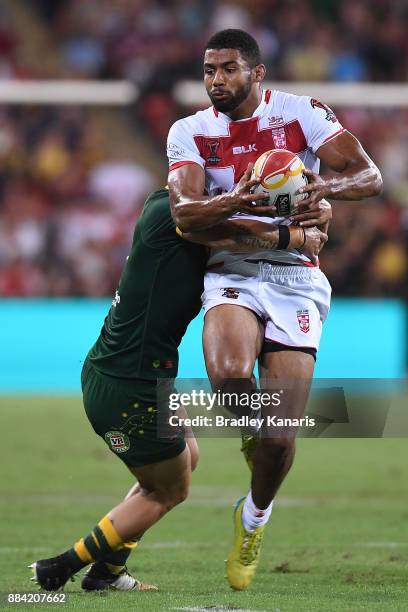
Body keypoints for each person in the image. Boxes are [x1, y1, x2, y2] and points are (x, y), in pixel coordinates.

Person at [167, 29, 382, 590]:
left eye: (229, 69)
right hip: (233, 270)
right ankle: (251, 433)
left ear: (256, 74)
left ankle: (254, 516)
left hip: (296, 278)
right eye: (209, 69)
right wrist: (240, 201)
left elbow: (370, 176)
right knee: (230, 375)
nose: (216, 79)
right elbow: (187, 214)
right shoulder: (190, 131)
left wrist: (322, 187)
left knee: (281, 438)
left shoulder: (301, 114)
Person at [30, 189, 326, 592]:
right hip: (129, 384)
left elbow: (234, 223)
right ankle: (65, 564)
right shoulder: (180, 216)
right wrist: (297, 237)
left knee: (188, 457)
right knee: (169, 489)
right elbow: (236, 235)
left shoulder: (164, 203)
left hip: (135, 372)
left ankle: (109, 570)